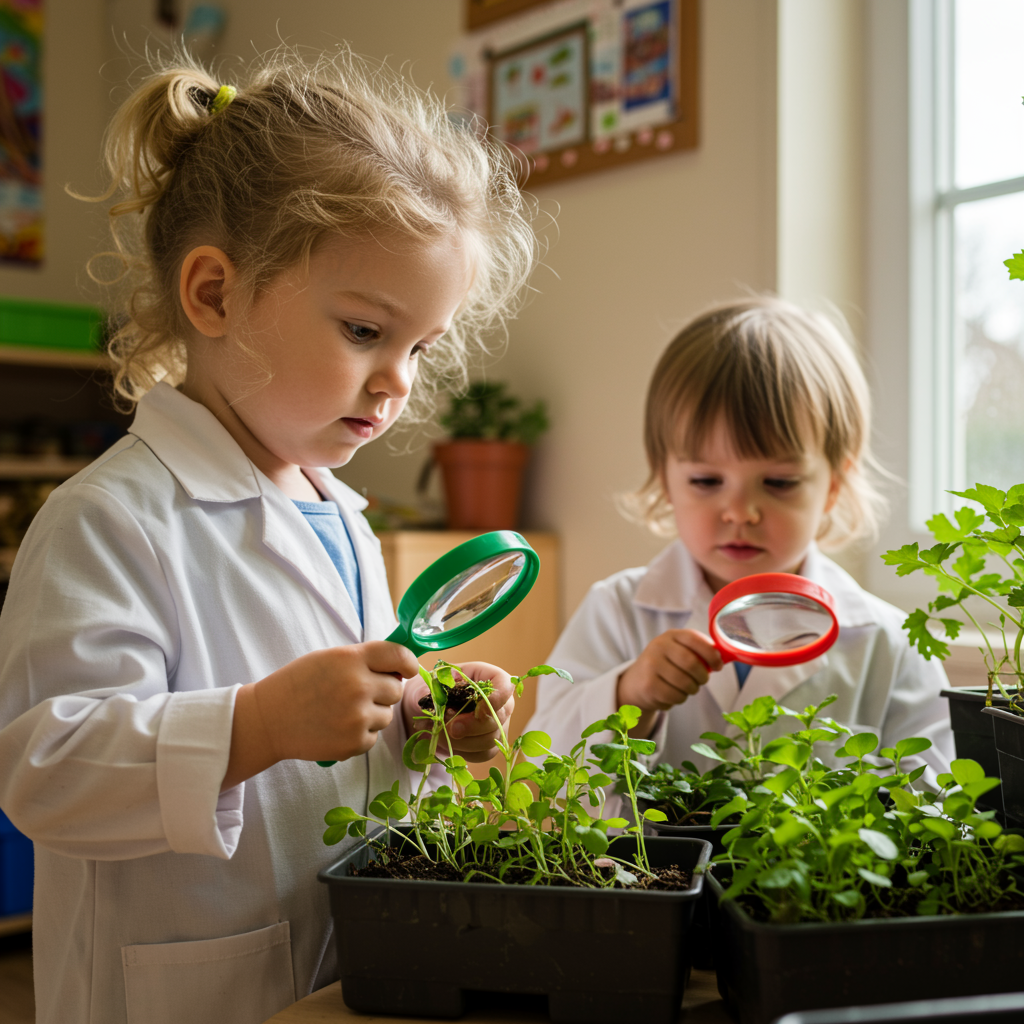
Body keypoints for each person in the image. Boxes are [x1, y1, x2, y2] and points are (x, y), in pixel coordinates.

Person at [0, 48, 537, 1024]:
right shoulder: (107, 519)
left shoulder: (341, 517)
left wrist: (422, 722)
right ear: (213, 295)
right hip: (182, 988)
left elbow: (346, 730)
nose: (400, 381)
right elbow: (44, 771)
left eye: (421, 346)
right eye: (365, 331)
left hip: (340, 971)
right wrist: (249, 727)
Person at [528, 297, 953, 793]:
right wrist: (630, 695)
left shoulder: (890, 643)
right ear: (665, 477)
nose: (740, 512)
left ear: (835, 484)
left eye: (779, 482)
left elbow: (936, 805)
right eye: (707, 480)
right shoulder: (617, 611)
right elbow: (545, 767)